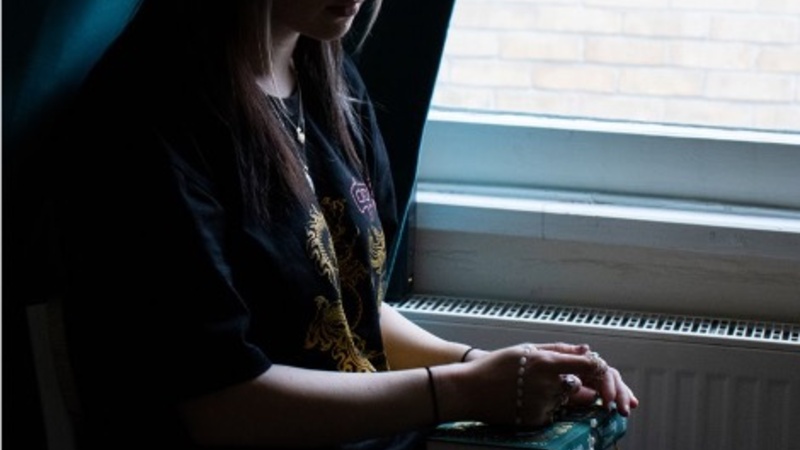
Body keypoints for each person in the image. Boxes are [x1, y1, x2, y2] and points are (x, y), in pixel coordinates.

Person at [49, 1, 639, 449]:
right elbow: (219, 403)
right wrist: (461, 390)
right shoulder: (151, 120)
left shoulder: (326, 76)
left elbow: (349, 307)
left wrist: (491, 369)